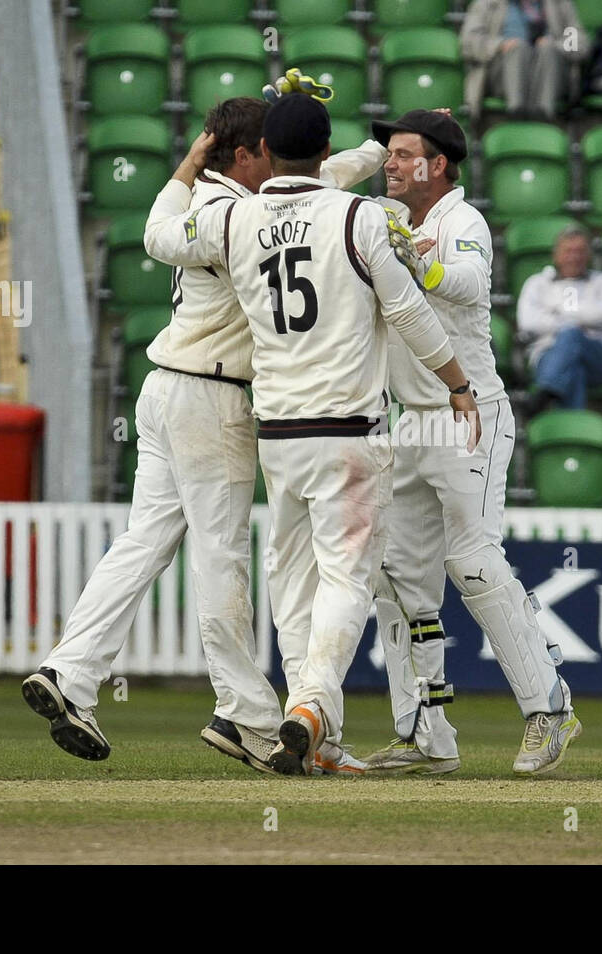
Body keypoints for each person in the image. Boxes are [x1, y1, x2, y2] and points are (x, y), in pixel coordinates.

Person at [21, 94, 389, 776]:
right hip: (210, 397)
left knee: (142, 544)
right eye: (266, 151)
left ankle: (69, 672)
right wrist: (379, 147)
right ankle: (244, 714)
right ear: (247, 154)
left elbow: (158, 227)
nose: (276, 162)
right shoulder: (238, 214)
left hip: (163, 390)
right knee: (220, 560)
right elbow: (321, 187)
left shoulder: (200, 201)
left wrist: (194, 155)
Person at [144, 93, 482, 776]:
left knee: (291, 582)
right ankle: (311, 708)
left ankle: (308, 737)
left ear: (264, 151)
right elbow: (410, 311)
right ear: (328, 152)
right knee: (347, 578)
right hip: (348, 431)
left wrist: (193, 158)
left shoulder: (235, 218)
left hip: (277, 433)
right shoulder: (357, 215)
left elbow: (158, 238)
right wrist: (457, 382)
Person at [352, 109, 582, 776]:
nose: (388, 164)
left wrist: (414, 266)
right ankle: (426, 734)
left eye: (402, 154)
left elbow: (469, 283)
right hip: (410, 424)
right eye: (386, 154)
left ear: (439, 166)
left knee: (474, 561)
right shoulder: (388, 217)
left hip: (469, 416)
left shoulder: (463, 221)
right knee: (398, 581)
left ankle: (551, 707)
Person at [517, 224, 602, 412]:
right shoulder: (537, 283)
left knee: (571, 334)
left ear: (589, 255)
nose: (574, 257)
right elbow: (528, 322)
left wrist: (557, 313)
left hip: (597, 358)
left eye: (580, 251)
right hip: (545, 356)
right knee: (574, 370)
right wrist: (580, 319)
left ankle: (546, 389)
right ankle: (567, 421)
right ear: (555, 254)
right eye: (568, 251)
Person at [460, 0, 588, 121]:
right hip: (502, 76)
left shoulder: (560, 4)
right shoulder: (487, 3)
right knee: (518, 48)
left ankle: (544, 113)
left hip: (550, 75)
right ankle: (516, 111)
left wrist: (556, 45)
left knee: (548, 48)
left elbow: (581, 44)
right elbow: (468, 42)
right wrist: (500, 45)